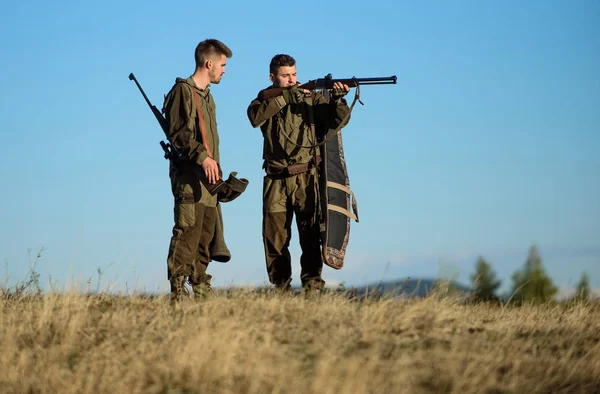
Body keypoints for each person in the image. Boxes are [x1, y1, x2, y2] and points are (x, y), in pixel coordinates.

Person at [247, 54, 351, 293]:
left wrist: (337, 99)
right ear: (272, 77)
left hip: (306, 178)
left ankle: (312, 289)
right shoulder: (263, 101)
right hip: (275, 179)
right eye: (286, 76)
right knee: (275, 239)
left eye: (294, 74)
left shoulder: (311, 99)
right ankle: (280, 289)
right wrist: (285, 99)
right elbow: (255, 118)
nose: (292, 80)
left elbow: (339, 121)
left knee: (311, 237)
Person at [162, 39, 232, 301]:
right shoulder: (183, 90)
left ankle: (201, 291)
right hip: (190, 178)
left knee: (204, 239)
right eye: (222, 65)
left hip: (208, 181)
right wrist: (203, 158)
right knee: (186, 235)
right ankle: (178, 294)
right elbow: (179, 134)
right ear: (209, 63)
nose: (224, 70)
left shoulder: (207, 96)